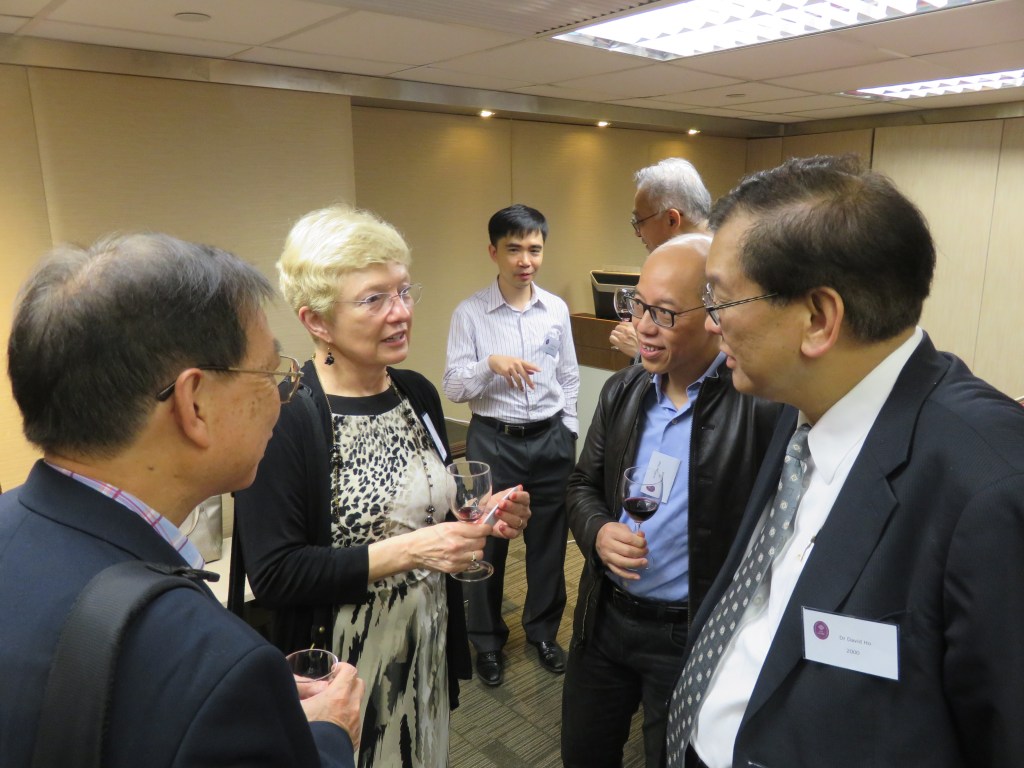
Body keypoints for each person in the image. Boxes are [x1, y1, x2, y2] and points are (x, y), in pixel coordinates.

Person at [665, 155, 1024, 768]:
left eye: (719, 299)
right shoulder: (802, 403)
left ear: (818, 319)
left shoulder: (989, 488)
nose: (712, 323)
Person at [0, 233, 364, 768]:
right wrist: (329, 736)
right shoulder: (215, 661)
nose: (282, 395)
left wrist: (247, 716)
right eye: (269, 373)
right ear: (194, 404)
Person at [232, 205, 531, 768]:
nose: (402, 312)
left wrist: (480, 516)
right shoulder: (286, 416)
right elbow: (275, 573)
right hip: (344, 667)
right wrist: (415, 550)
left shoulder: (416, 393)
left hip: (426, 638)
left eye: (404, 291)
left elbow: (424, 513)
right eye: (374, 299)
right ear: (317, 321)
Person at [561, 235, 781, 768]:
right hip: (605, 617)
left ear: (713, 316)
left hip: (688, 633)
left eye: (663, 312)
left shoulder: (758, 406)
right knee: (584, 753)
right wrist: (598, 532)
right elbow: (581, 485)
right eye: (637, 305)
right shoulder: (625, 390)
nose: (642, 326)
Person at [443, 203, 580, 686]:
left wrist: (569, 429)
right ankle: (486, 642)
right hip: (494, 440)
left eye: (535, 249)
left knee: (549, 544)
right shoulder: (470, 313)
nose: (526, 260)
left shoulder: (555, 309)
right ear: (494, 252)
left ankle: (543, 632)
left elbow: (568, 376)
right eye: (514, 249)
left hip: (550, 438)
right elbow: (453, 387)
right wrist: (490, 365)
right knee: (487, 545)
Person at [612, 158, 713, 360]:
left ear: (672, 219)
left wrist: (643, 353)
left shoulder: (728, 272)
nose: (637, 233)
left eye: (639, 221)